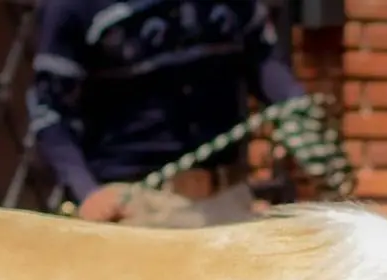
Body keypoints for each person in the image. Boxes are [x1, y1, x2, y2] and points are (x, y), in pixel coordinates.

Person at [27, 0, 305, 224]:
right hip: (136, 207)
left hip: (226, 198)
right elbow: (50, 113)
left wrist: (299, 109)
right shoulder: (72, 7)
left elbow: (264, 62)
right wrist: (86, 192)